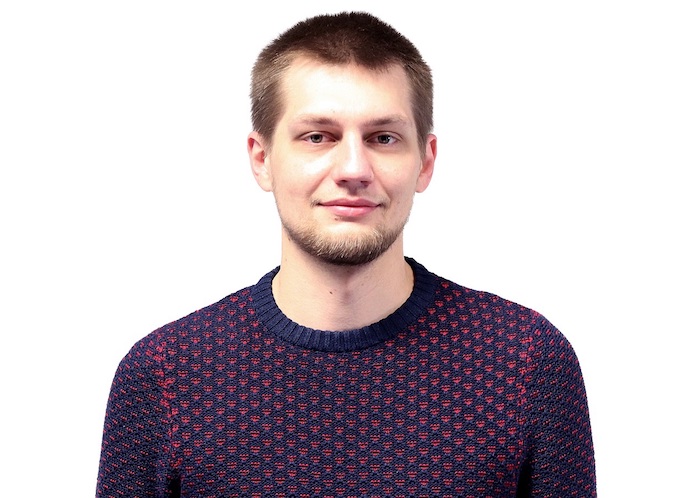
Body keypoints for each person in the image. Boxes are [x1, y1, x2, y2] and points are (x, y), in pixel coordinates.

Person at [96, 11, 596, 497]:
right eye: (318, 137)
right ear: (262, 158)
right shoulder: (165, 375)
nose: (353, 169)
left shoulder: (526, 361)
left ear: (425, 162)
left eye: (384, 138)